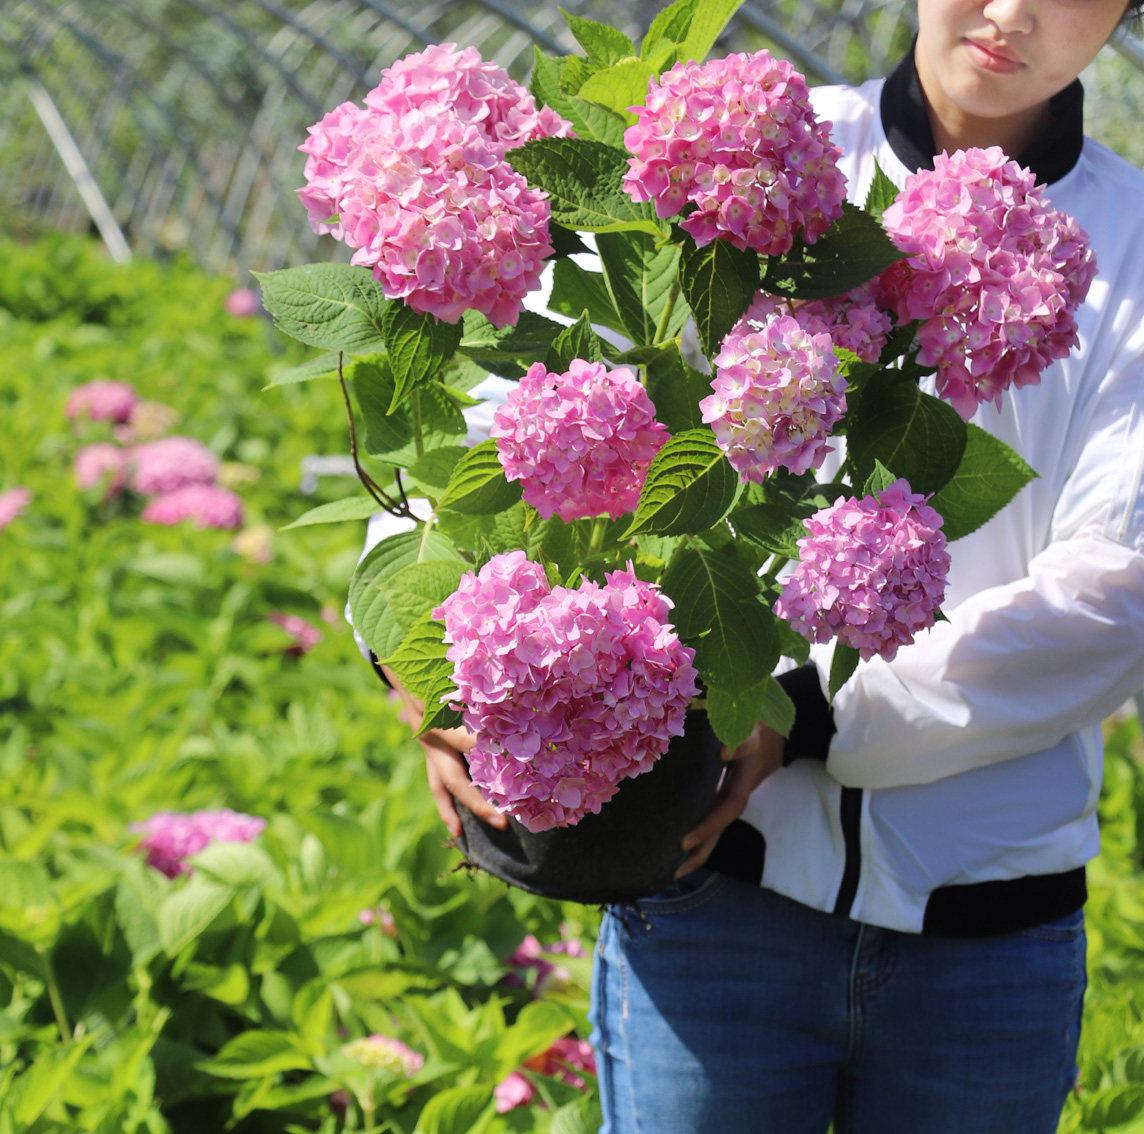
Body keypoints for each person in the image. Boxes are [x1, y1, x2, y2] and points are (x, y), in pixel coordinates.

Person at [377, 0, 1144, 1129]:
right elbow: (481, 421)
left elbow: (1115, 598)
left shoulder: (1130, 244)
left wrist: (807, 718)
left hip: (986, 932)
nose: (1011, 10)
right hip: (712, 894)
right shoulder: (757, 158)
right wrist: (424, 662)